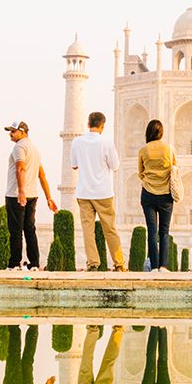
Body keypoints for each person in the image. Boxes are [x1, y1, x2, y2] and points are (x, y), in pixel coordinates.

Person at [68, 111, 124, 271]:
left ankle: (93, 263)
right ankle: (119, 264)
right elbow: (115, 166)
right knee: (110, 229)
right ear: (102, 126)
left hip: (84, 193)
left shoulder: (77, 142)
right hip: (103, 193)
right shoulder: (106, 142)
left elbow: (74, 165)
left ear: (88, 124)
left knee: (88, 231)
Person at [2, 121, 55, 269]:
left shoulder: (19, 147)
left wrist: (21, 191)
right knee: (30, 230)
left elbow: (20, 169)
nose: (10, 134)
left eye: (13, 131)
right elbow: (42, 175)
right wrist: (49, 197)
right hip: (33, 195)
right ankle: (34, 264)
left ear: (22, 132)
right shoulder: (35, 149)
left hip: (16, 195)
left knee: (16, 231)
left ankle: (14, 264)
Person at [137, 119, 177, 270]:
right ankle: (164, 266)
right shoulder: (169, 149)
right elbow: (174, 169)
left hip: (148, 194)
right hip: (166, 195)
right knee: (164, 232)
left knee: (152, 231)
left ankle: (154, 266)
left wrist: (150, 180)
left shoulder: (143, 150)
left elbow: (140, 173)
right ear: (162, 133)